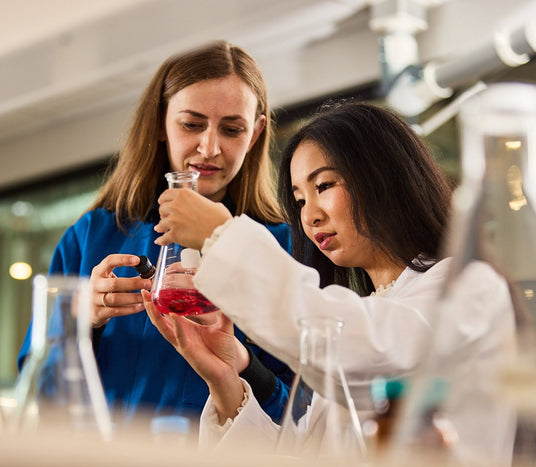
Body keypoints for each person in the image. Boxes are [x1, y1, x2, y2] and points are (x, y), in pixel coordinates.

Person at [144, 101, 516, 464]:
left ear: (384, 176)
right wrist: (227, 381)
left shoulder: (470, 288)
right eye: (299, 199)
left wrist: (219, 235)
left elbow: (370, 353)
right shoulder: (366, 313)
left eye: (323, 186)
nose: (310, 216)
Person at [17, 41, 294, 424]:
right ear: (160, 122)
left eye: (232, 129)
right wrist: (81, 317)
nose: (209, 147)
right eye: (191, 124)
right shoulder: (91, 237)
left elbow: (305, 415)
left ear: (256, 133)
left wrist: (239, 359)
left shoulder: (283, 248)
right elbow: (37, 396)